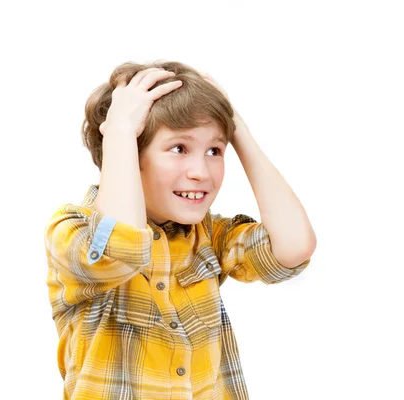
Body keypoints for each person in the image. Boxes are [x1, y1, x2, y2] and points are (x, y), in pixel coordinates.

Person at [43, 60, 317, 399]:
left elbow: (293, 247)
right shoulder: (72, 232)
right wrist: (119, 132)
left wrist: (238, 129)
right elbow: (123, 248)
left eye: (214, 150)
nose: (201, 172)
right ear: (127, 152)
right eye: (179, 148)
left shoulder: (208, 236)